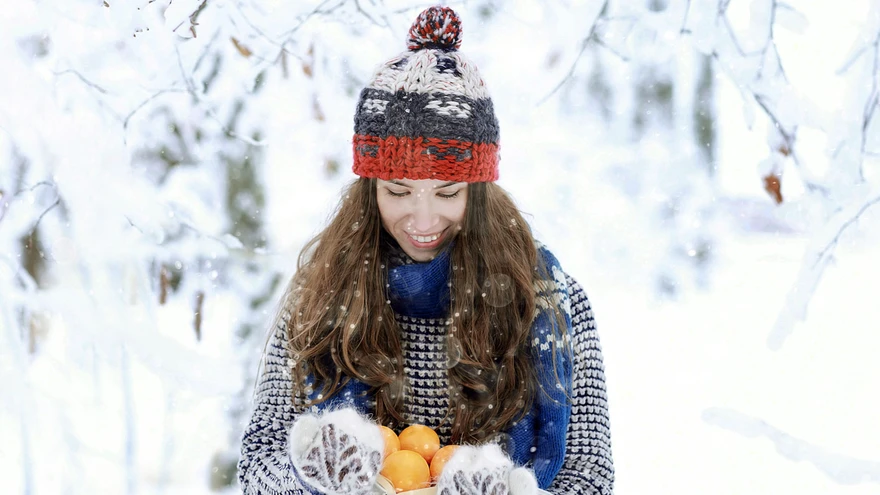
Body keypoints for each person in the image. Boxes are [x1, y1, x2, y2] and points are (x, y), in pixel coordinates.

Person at [238, 6, 613, 495]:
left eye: (447, 193)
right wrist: (322, 482)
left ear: (479, 191)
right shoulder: (320, 293)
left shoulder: (548, 299)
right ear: (369, 187)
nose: (422, 221)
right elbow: (259, 461)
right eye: (397, 191)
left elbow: (590, 476)